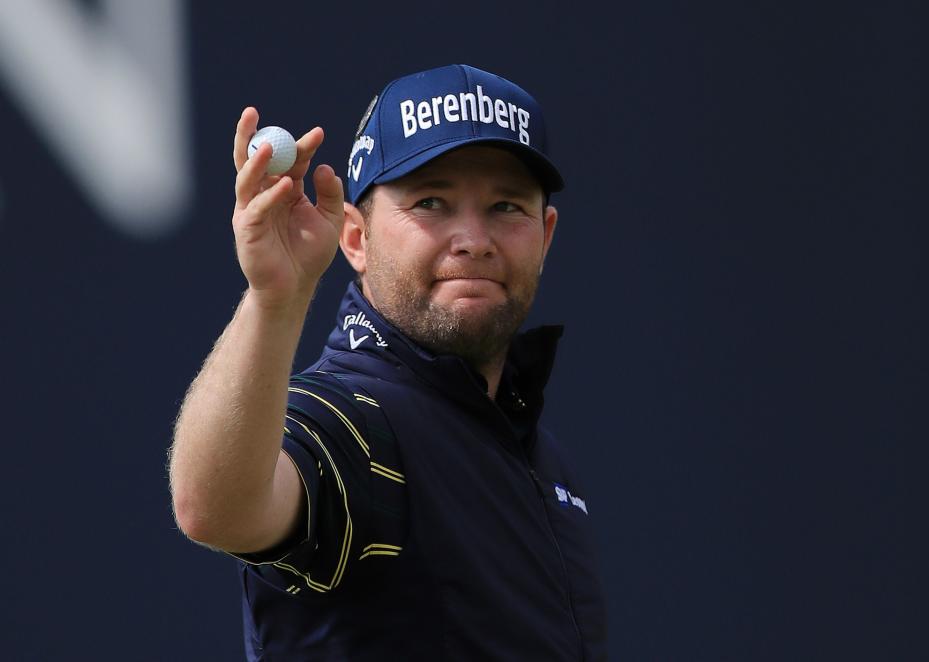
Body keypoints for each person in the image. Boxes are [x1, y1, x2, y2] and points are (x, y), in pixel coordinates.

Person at [168, 63, 607, 661]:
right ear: (356, 238)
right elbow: (214, 508)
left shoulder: (538, 454)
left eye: (507, 207)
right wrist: (276, 300)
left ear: (546, 234)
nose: (474, 238)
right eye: (431, 202)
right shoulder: (359, 425)